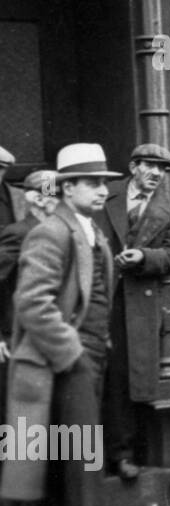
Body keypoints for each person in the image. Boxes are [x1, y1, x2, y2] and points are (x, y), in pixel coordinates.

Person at [0, 143, 128, 506]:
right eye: (91, 183)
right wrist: (72, 354)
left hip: (86, 357)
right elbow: (32, 302)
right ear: (67, 187)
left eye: (104, 184)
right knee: (83, 456)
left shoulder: (90, 231)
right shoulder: (52, 232)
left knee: (61, 455)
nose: (100, 191)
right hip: (66, 361)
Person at [95, 143, 170, 480]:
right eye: (150, 167)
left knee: (126, 376)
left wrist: (144, 257)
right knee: (91, 373)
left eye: (162, 170)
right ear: (134, 167)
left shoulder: (168, 210)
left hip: (137, 302)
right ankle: (87, 458)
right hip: (97, 295)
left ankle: (124, 454)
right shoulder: (106, 192)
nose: (156, 175)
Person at [0, 170, 58, 424]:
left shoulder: (60, 230)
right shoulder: (19, 233)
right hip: (18, 335)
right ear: (36, 198)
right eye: (56, 194)